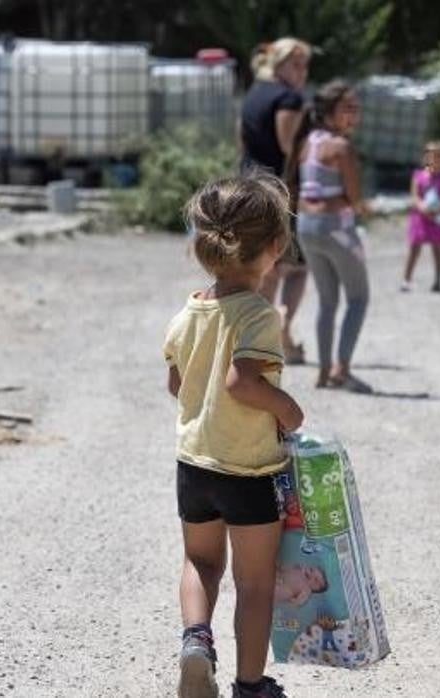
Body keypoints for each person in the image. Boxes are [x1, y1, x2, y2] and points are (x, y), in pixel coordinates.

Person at [164, 174, 304, 698]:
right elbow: (242, 382)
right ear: (273, 248)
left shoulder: (190, 310)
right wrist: (289, 410)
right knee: (254, 582)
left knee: (200, 562)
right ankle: (250, 685)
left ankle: (197, 642)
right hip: (248, 471)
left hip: (194, 465)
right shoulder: (259, 315)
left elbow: (177, 384)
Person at [282, 81, 373, 393]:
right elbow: (355, 197)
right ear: (330, 112)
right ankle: (341, 369)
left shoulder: (308, 142)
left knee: (327, 301)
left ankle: (322, 372)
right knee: (358, 298)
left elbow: (305, 190)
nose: (355, 115)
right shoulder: (341, 147)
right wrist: (362, 206)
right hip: (338, 229)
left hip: (306, 228)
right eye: (348, 108)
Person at [239, 37, 312, 364]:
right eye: (297, 64)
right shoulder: (289, 98)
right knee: (295, 266)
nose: (303, 71)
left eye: (305, 64)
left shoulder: (253, 93)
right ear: (279, 63)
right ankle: (279, 329)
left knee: (263, 264)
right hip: (280, 189)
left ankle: (259, 337)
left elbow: (240, 139)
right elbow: (289, 147)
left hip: (249, 184)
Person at [403, 141, 440, 293]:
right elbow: (415, 196)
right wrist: (422, 208)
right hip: (420, 217)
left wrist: (438, 209)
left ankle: (438, 280)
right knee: (414, 248)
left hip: (437, 219)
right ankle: (406, 279)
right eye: (432, 156)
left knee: (437, 249)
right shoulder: (418, 176)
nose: (435, 159)